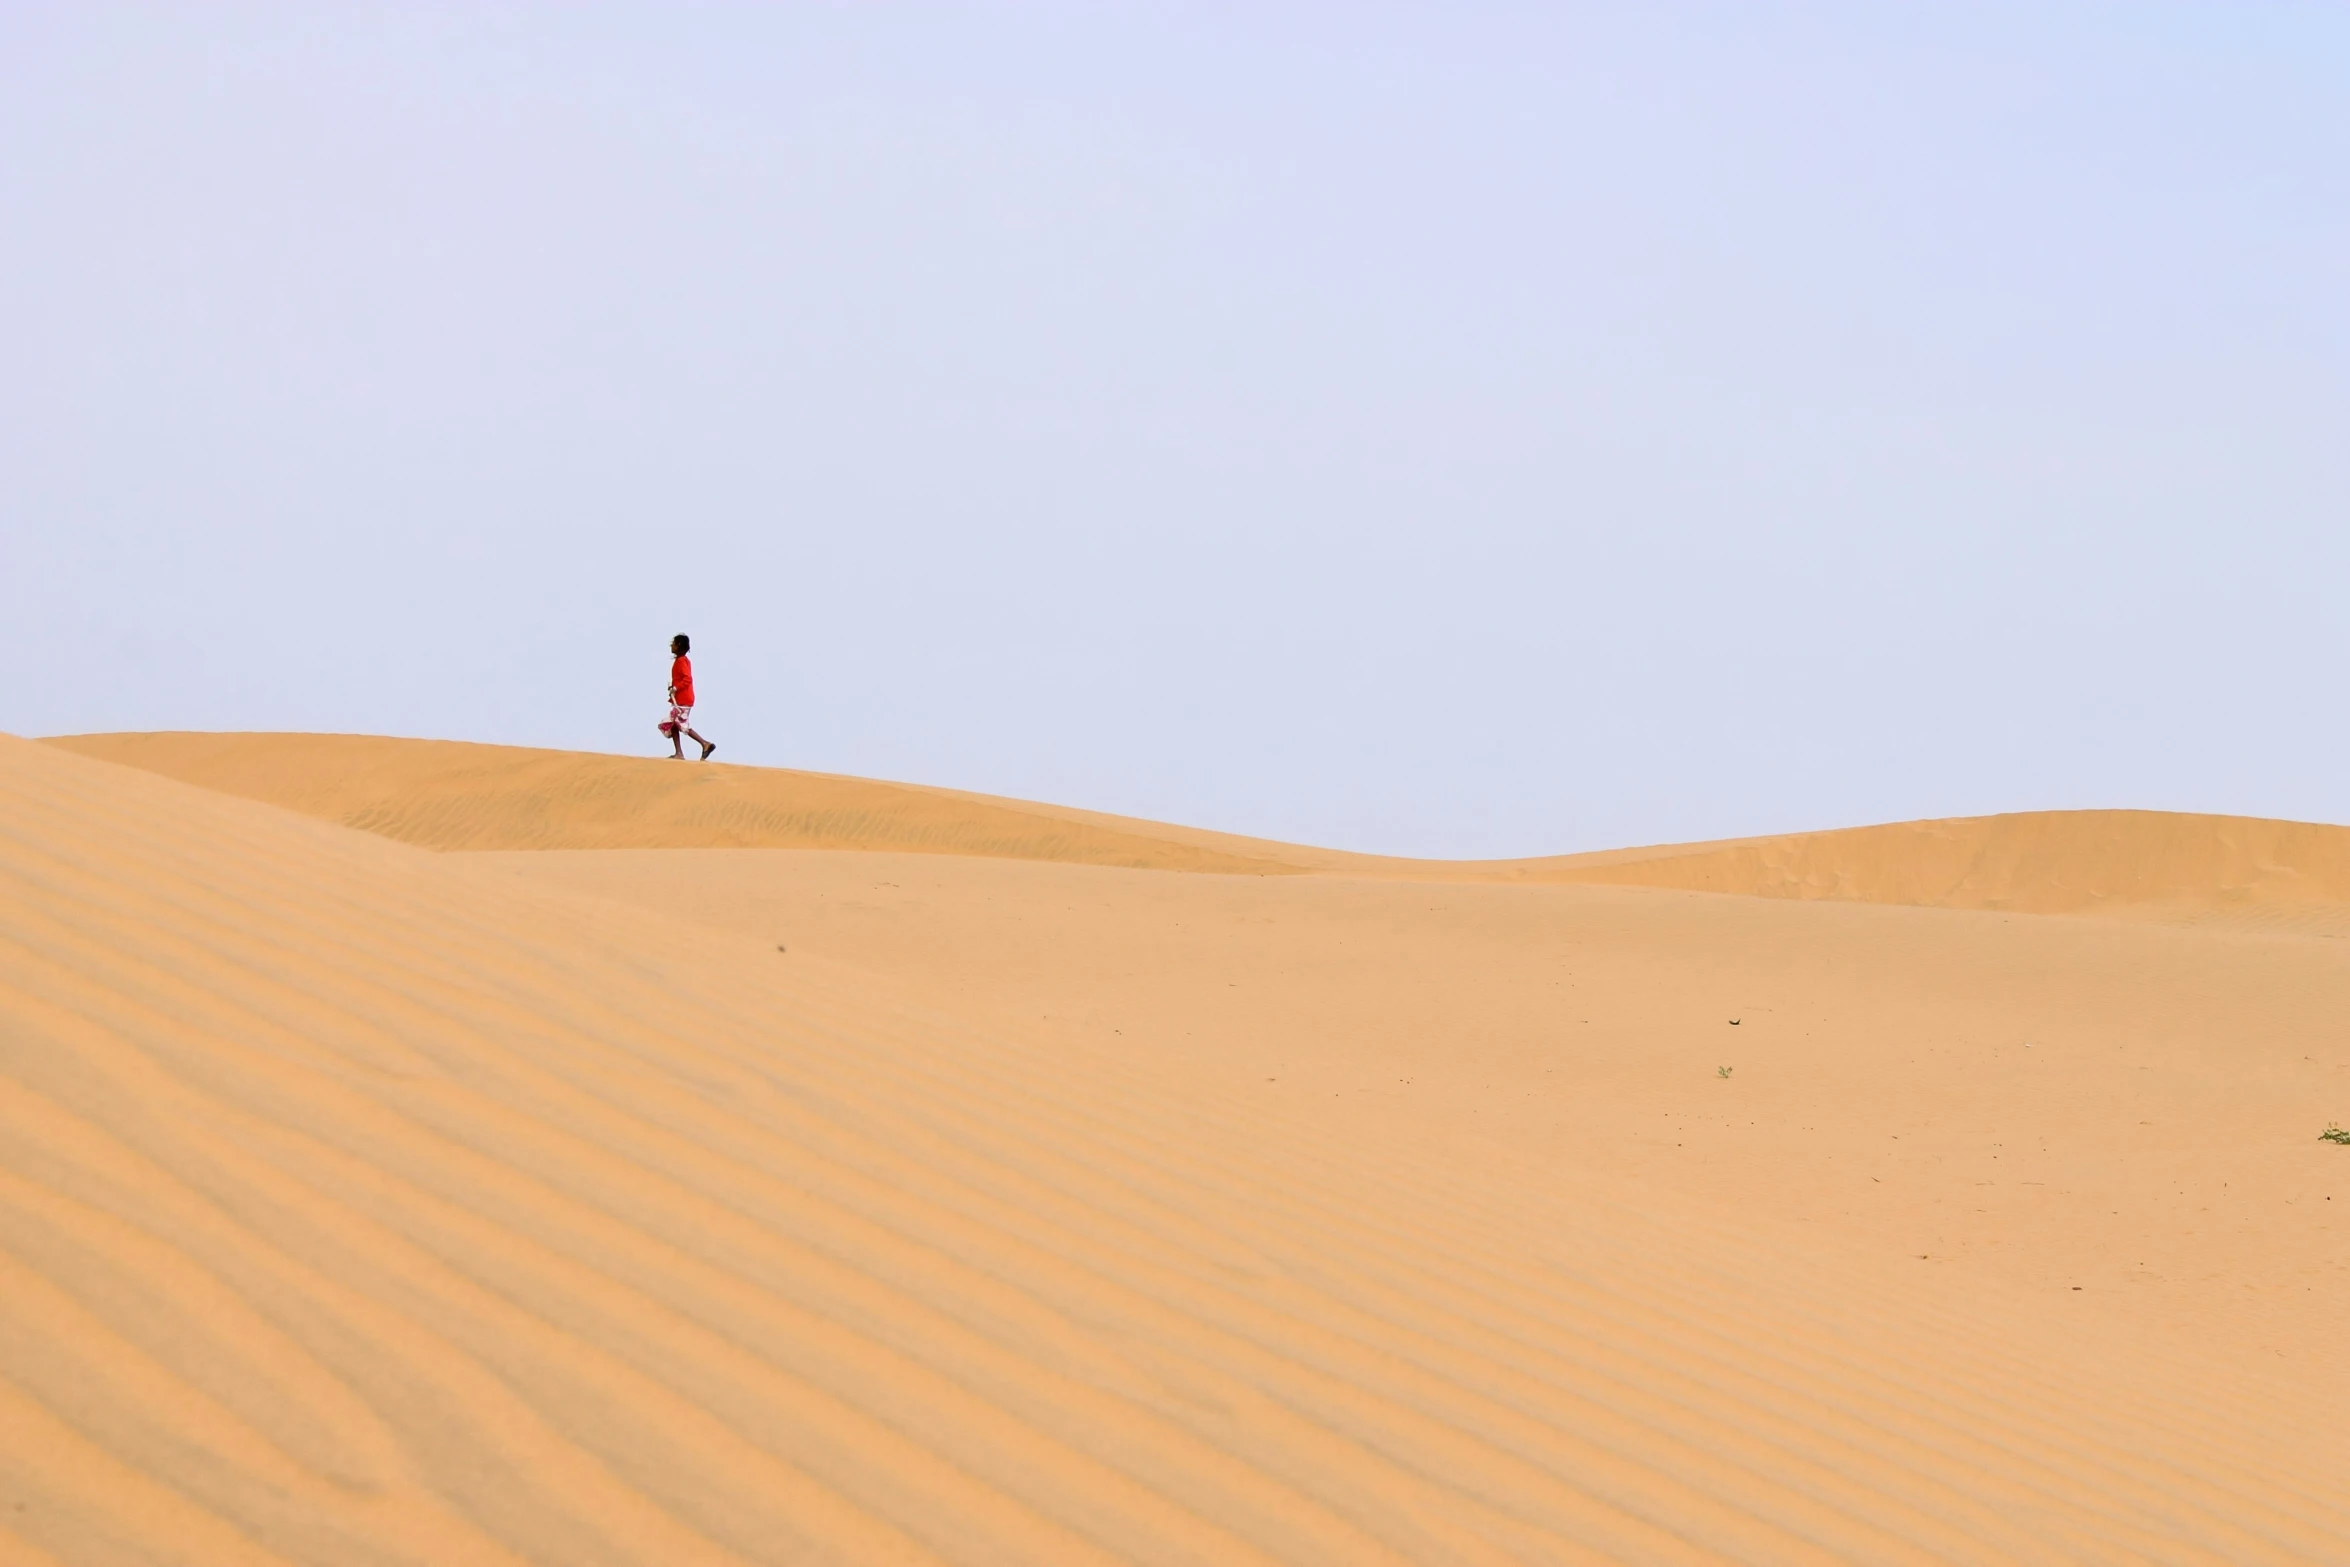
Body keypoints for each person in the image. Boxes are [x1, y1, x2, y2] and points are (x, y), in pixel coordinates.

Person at [659, 634, 715, 760]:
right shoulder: (681, 660)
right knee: (674, 724)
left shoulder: (682, 661)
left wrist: (676, 688)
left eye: (673, 643)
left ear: (678, 645)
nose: (671, 645)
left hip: (683, 699)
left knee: (681, 724)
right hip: (679, 698)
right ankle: (679, 753)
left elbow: (687, 678)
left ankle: (705, 743)